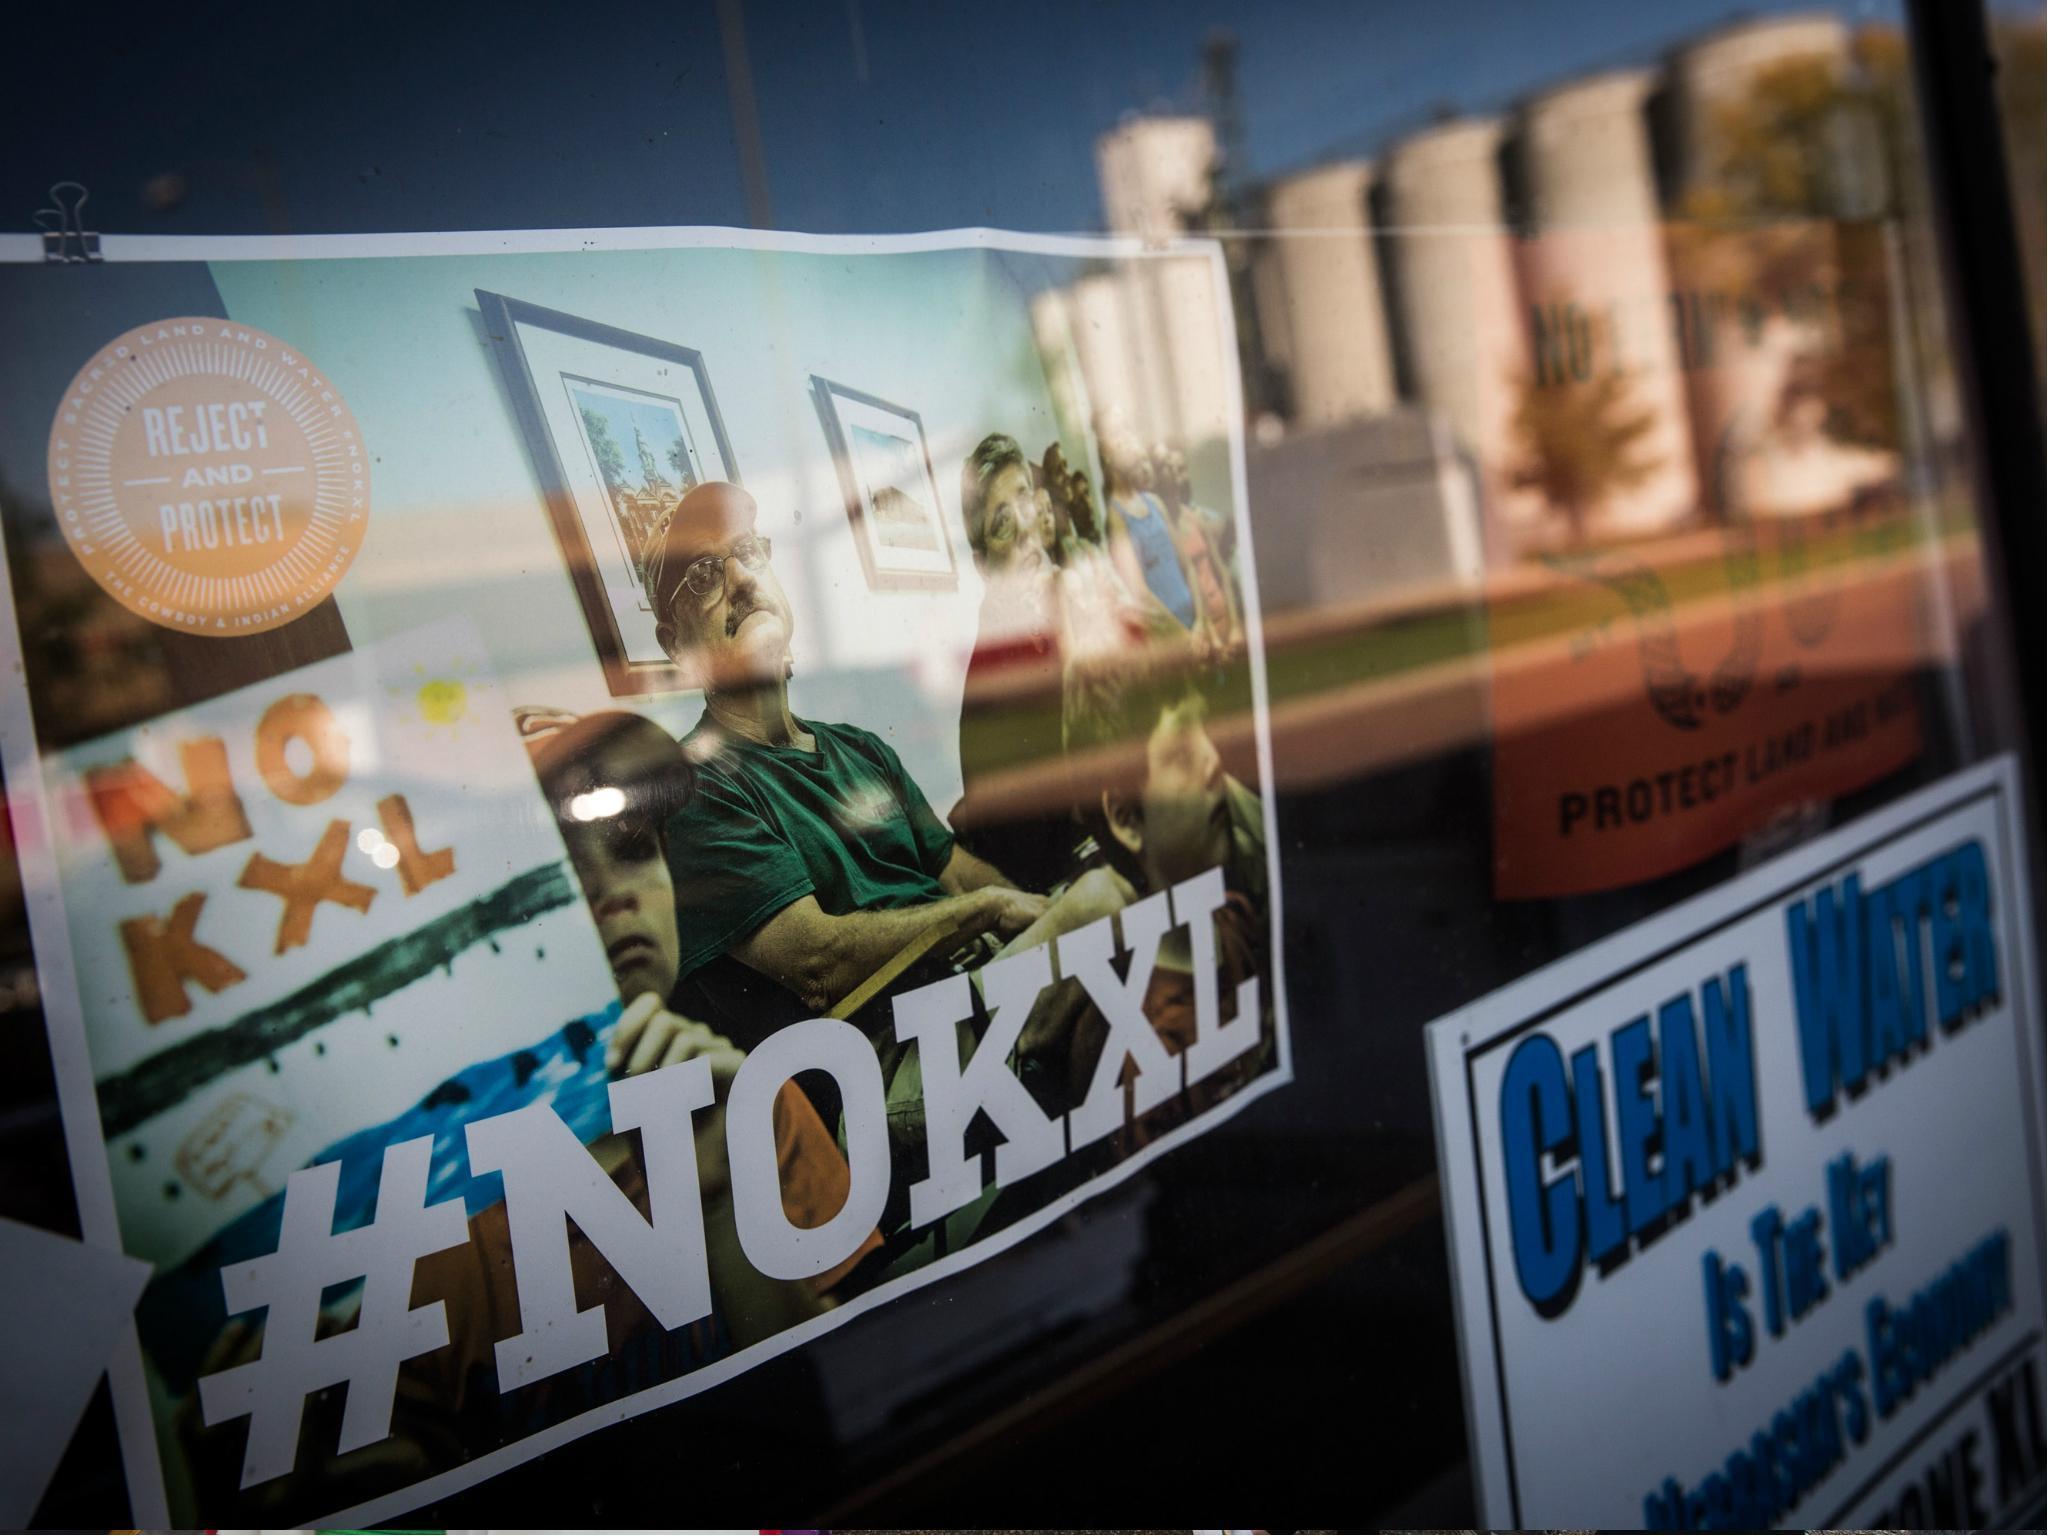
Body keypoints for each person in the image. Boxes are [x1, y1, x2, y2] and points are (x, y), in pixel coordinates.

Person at [1016, 647, 1270, 1148]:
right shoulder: (1141, 1058)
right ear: (1127, 820)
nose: (1214, 762)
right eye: (1181, 752)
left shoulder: (1233, 918)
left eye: (1206, 736)